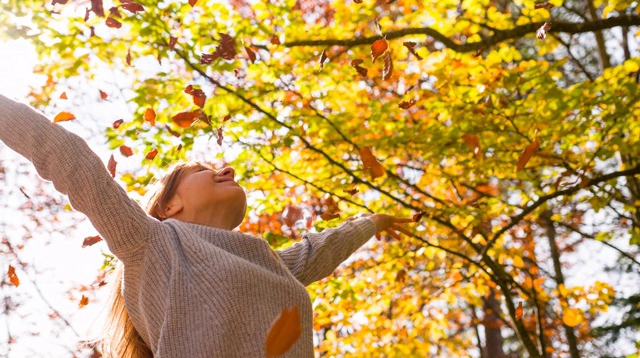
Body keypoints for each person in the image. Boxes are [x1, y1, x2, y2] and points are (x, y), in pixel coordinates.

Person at [0, 94, 413, 357]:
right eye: (203, 169)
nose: (227, 168)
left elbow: (318, 250)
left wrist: (373, 222)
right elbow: (67, 156)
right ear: (168, 205)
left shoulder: (267, 263)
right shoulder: (150, 243)